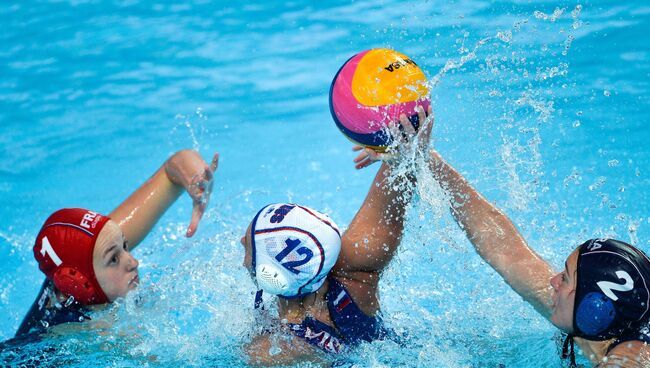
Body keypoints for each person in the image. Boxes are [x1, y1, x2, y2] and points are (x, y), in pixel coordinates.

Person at [359, 143, 650, 367]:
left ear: (594, 309)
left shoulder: (632, 354)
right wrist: (423, 157)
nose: (552, 282)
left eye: (565, 277)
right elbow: (504, 250)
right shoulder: (602, 318)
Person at [241, 107, 432, 365]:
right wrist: (403, 152)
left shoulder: (270, 352)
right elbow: (397, 184)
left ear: (270, 274)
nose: (241, 242)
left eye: (249, 246)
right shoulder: (354, 278)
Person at [13, 149, 219, 339]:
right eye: (114, 259)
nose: (134, 262)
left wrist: (196, 178)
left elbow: (173, 168)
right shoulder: (85, 332)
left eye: (125, 245)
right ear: (80, 284)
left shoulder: (97, 248)